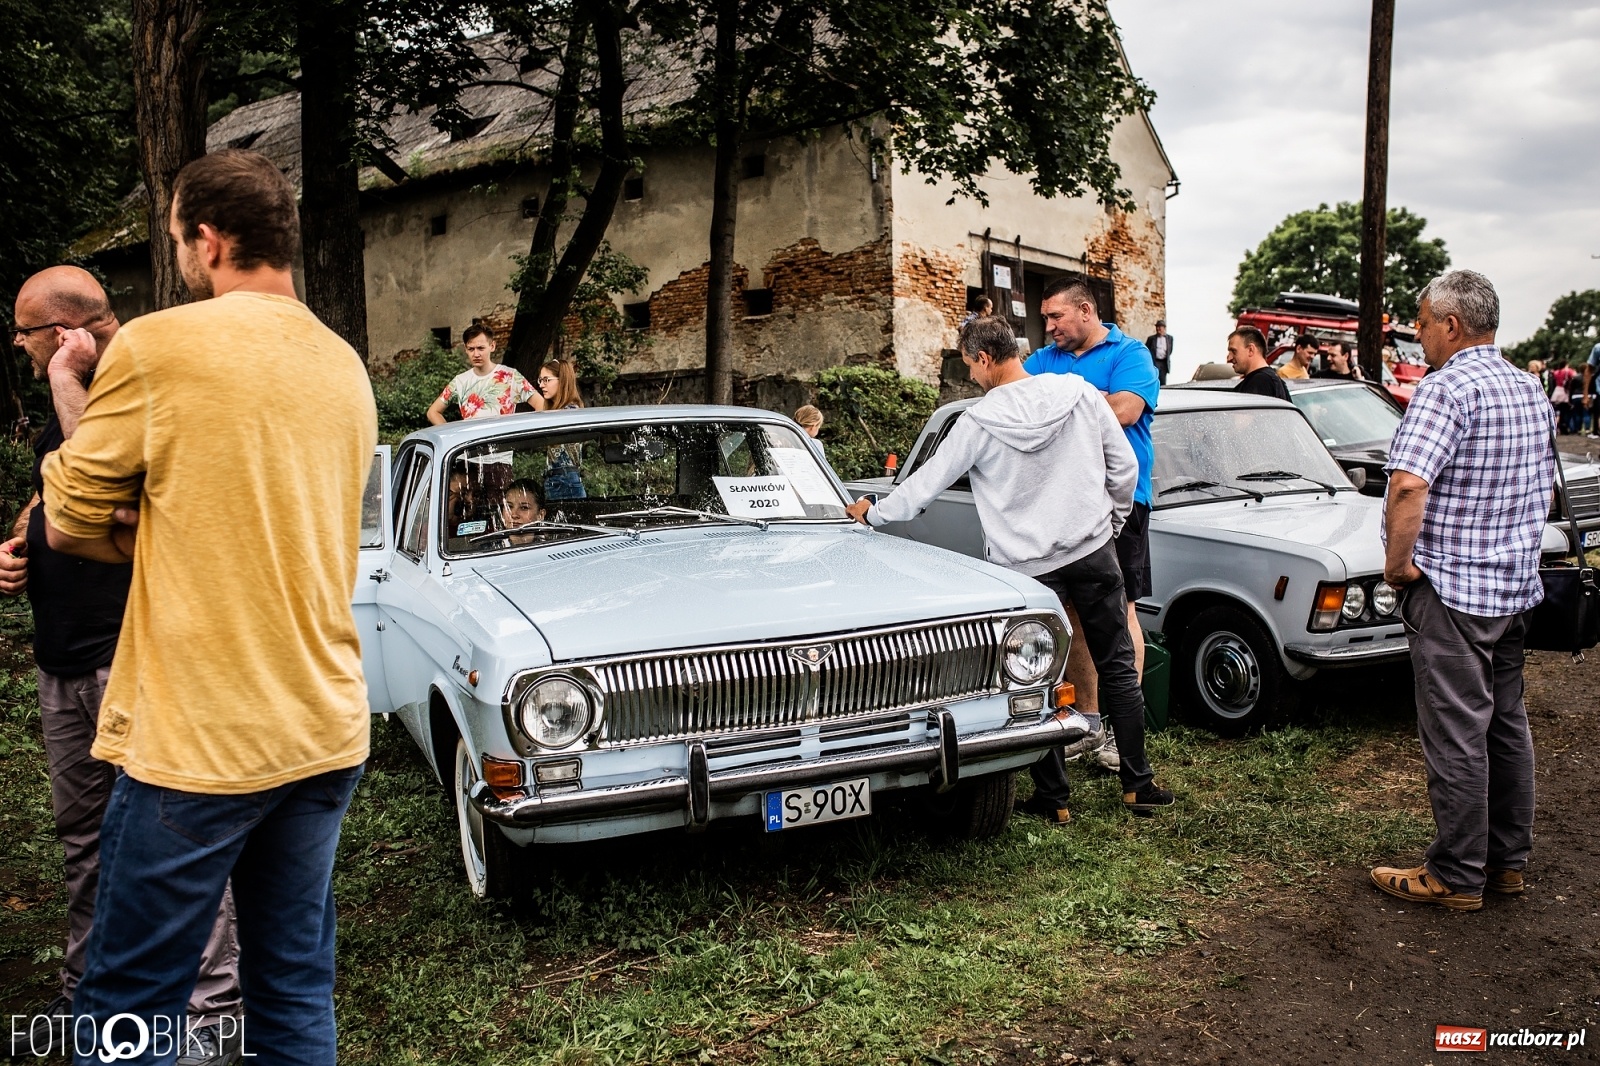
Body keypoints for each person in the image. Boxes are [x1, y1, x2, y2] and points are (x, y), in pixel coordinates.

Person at [41, 149, 377, 1062]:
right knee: (294, 987)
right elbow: (262, 527)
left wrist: (66, 387)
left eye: (178, 235)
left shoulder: (161, 344)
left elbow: (68, 520)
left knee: (128, 1002)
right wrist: (157, 526)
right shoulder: (343, 363)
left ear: (208, 239)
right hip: (321, 727)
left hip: (202, 740)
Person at [1, 268, 243, 1064]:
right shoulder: (71, 396)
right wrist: (20, 540)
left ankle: (211, 1014)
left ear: (65, 331)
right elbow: (57, 490)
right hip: (62, 661)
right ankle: (89, 996)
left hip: (131, 654)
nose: (19, 345)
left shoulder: (141, 381)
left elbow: (112, 493)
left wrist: (71, 382)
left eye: (29, 332)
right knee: (83, 839)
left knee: (172, 834)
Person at [845, 316, 1172, 821]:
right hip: (1092, 550)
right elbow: (1124, 468)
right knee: (1117, 664)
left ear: (982, 358)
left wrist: (873, 512)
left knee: (1034, 679)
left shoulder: (977, 422)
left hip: (1024, 572)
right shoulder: (1080, 395)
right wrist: (1112, 522)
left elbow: (923, 487)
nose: (972, 378)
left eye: (969, 367)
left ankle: (1055, 799)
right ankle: (1138, 784)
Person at [1371, 270, 1554, 913]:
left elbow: (1408, 486)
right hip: (1511, 584)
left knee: (1456, 730)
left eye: (1420, 323)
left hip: (1452, 587)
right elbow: (1545, 488)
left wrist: (1397, 568)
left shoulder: (1445, 389)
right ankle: (1506, 862)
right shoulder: (1529, 387)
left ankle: (1456, 872)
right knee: (1506, 724)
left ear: (1450, 325)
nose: (1417, 336)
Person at [1023, 275, 1161, 775]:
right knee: (1075, 616)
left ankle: (1123, 733)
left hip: (1123, 502)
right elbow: (1015, 398)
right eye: (1046, 319)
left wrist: (1058, 403)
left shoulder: (1132, 355)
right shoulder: (1044, 360)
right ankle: (1089, 722)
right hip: (1064, 503)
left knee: (1120, 614)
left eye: (1056, 317)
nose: (1049, 327)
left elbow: (1124, 410)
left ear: (1085, 310)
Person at [426, 323, 536, 424]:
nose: (476, 354)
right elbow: (433, 412)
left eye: (480, 348)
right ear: (466, 349)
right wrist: (451, 437)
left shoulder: (510, 376)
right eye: (471, 349)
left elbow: (541, 406)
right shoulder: (460, 381)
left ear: (492, 346)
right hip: (473, 444)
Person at [1228, 326, 1290, 400]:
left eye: (1234, 351)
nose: (1229, 358)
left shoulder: (1260, 382)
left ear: (1251, 350)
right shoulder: (1272, 379)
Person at [500, 479, 546, 544]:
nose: (514, 515)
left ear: (540, 515)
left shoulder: (553, 548)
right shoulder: (487, 549)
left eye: (524, 508)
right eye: (509, 507)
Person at [1144, 319, 1173, 385]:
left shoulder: (1170, 338)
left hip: (1164, 363)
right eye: (1157, 327)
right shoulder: (1151, 339)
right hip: (1155, 362)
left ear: (1164, 328)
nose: (1158, 328)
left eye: (1160, 327)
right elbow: (1146, 350)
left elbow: (1170, 351)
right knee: (1154, 380)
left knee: (1163, 382)